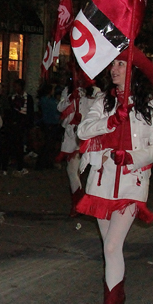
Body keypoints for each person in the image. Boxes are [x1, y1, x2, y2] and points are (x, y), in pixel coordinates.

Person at [76, 47, 153, 304]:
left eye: (120, 64)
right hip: (102, 181)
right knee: (109, 248)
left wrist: (133, 158)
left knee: (112, 247)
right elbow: (84, 131)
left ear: (133, 71)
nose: (113, 69)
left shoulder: (152, 103)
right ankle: (118, 292)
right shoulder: (104, 101)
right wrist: (111, 120)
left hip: (131, 182)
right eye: (112, 64)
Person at [56, 71, 96, 216]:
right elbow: (60, 108)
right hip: (71, 135)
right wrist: (70, 98)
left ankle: (88, 203)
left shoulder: (94, 92)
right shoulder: (68, 90)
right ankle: (78, 203)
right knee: (72, 170)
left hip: (87, 135)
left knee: (91, 170)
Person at [1, 78, 34, 176]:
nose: (15, 88)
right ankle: (7, 166)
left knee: (19, 145)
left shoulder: (28, 98)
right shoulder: (11, 97)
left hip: (22, 123)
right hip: (13, 123)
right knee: (10, 145)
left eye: (16, 86)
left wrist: (28, 124)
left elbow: (30, 112)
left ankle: (19, 166)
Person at [36, 82, 62, 170]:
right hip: (50, 124)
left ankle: (44, 162)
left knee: (47, 144)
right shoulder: (49, 101)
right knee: (49, 144)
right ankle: (45, 162)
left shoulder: (44, 100)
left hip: (48, 123)